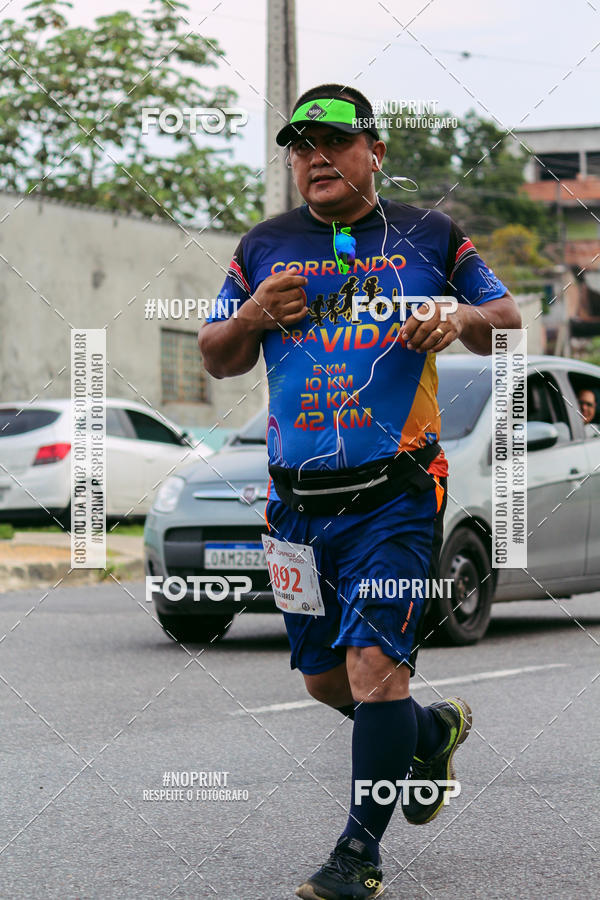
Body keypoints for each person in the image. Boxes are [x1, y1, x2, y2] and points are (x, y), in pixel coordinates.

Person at [198, 84, 522, 900]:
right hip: (296, 504)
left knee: (377, 665)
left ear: (375, 153)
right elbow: (214, 354)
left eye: (333, 143)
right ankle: (431, 731)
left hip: (397, 494)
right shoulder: (263, 245)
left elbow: (508, 318)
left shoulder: (429, 234)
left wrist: (454, 315)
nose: (314, 157)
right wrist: (251, 322)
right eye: (300, 145)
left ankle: (357, 856)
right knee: (323, 679)